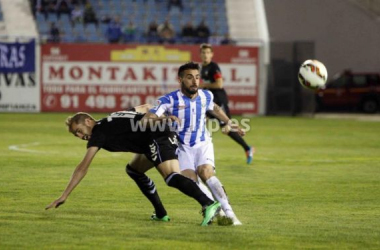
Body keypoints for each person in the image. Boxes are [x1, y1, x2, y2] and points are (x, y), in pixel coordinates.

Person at [45, 107, 222, 226]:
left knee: (170, 177)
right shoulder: (112, 117)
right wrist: (162, 116)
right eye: (75, 134)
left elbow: (83, 166)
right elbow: (144, 107)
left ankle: (208, 204)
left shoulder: (98, 133)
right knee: (134, 170)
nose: (79, 135)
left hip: (157, 136)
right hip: (152, 138)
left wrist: (64, 195)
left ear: (88, 122)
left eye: (78, 130)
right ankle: (160, 213)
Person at [141, 62, 244, 225]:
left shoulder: (206, 95)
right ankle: (215, 209)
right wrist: (165, 118)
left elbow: (215, 108)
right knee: (191, 180)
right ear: (180, 79)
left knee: (206, 173)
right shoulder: (169, 99)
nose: (195, 81)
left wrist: (228, 122)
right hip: (181, 147)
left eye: (197, 77)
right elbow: (148, 118)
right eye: (189, 78)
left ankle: (230, 214)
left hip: (203, 143)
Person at [199, 43, 254, 164]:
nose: (205, 55)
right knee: (200, 121)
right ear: (200, 55)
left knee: (226, 129)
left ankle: (248, 148)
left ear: (212, 54)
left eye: (208, 53)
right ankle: (200, 153)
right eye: (203, 53)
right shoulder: (202, 67)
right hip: (210, 102)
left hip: (219, 101)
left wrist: (204, 85)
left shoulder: (214, 67)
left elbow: (219, 84)